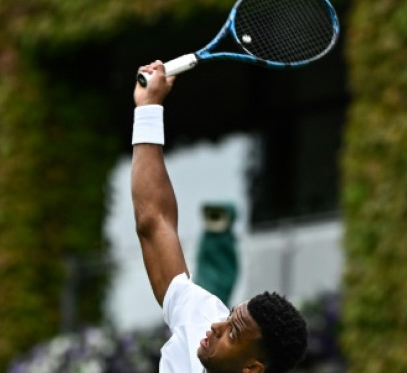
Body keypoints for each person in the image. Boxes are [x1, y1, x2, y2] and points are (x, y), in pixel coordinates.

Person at [131, 61, 308, 373]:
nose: (216, 326)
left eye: (233, 332)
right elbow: (154, 222)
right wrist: (148, 109)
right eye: (230, 316)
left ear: (252, 369)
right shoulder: (203, 319)